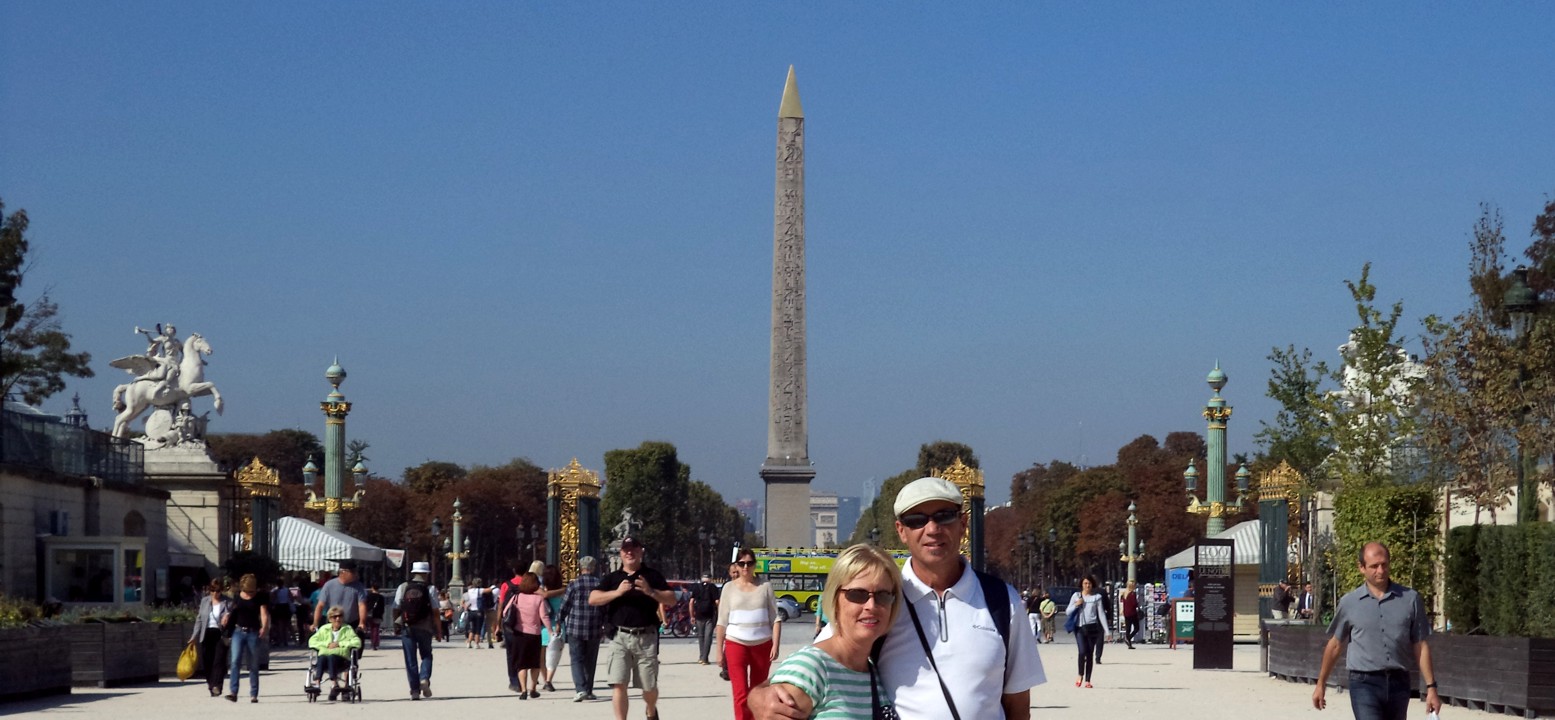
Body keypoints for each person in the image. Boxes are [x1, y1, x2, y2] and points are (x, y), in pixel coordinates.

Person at [754, 477, 1044, 720]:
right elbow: (819, 661)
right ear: (901, 531)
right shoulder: (879, 600)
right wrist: (759, 695)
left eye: (944, 516)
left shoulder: (1002, 601)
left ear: (963, 523)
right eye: (917, 520)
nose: (932, 529)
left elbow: (1018, 705)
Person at [767, 544, 903, 719]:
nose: (871, 606)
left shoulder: (873, 673)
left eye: (883, 595)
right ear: (834, 598)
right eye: (857, 594)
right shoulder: (809, 669)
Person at [1313, 542, 1440, 720]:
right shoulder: (1350, 602)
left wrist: (1431, 687)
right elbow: (1335, 645)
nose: (1380, 571)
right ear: (1361, 568)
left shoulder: (1410, 599)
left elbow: (1420, 645)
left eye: (1384, 564)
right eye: (1374, 566)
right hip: (1364, 683)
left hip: (1399, 682)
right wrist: (1321, 684)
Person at [590, 535, 677, 720]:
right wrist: (617, 593)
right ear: (621, 553)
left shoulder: (652, 576)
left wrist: (650, 591)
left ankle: (651, 710)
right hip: (619, 636)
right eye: (626, 550)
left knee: (649, 687)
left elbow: (671, 598)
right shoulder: (613, 578)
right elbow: (593, 598)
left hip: (646, 637)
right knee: (619, 683)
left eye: (634, 549)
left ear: (640, 552)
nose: (630, 553)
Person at [714, 547, 782, 720]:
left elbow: (775, 618)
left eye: (749, 563)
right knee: (741, 693)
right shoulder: (728, 588)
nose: (745, 567)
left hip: (762, 645)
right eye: (742, 563)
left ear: (755, 565)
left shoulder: (765, 586)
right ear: (736, 565)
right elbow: (721, 622)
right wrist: (718, 651)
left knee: (758, 693)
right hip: (736, 644)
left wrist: (776, 644)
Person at [559, 555, 605, 702]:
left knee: (576, 659)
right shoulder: (600, 584)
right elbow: (605, 605)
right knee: (590, 660)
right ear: (594, 567)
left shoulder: (574, 584)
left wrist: (559, 619)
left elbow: (565, 605)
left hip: (575, 626)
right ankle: (589, 689)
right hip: (594, 626)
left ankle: (580, 689)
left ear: (581, 567)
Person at [502, 571, 553, 699]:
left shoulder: (516, 597)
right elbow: (544, 616)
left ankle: (523, 690)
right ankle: (533, 688)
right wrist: (550, 630)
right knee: (534, 663)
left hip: (519, 633)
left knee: (521, 664)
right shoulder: (538, 599)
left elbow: (505, 612)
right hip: (535, 634)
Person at [221, 573, 270, 703]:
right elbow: (232, 610)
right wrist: (227, 616)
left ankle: (253, 694)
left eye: (251, 591)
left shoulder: (260, 597)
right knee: (235, 661)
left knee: (253, 664)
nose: (249, 593)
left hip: (253, 632)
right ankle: (233, 692)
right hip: (238, 631)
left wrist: (264, 627)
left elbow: (263, 613)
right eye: (247, 590)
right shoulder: (238, 597)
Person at [394, 562, 439, 700]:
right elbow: (435, 611)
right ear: (426, 574)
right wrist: (439, 629)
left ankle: (414, 690)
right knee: (426, 655)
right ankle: (424, 678)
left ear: (413, 572)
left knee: (410, 659)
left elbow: (395, 607)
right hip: (425, 626)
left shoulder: (403, 586)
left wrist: (397, 623)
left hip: (407, 626)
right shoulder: (430, 588)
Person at [308, 605, 363, 700]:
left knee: (331, 656)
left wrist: (339, 644)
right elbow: (312, 641)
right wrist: (327, 644)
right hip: (325, 656)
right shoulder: (324, 629)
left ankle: (334, 683)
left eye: (340, 616)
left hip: (341, 658)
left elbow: (357, 642)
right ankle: (317, 684)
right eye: (334, 617)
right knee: (322, 657)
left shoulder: (347, 629)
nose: (338, 619)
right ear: (330, 619)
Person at [191, 579, 230, 697]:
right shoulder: (205, 601)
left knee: (219, 661)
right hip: (206, 633)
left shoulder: (227, 601)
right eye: (212, 590)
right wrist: (194, 636)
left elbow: (232, 614)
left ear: (221, 590)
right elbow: (199, 619)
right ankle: (211, 684)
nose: (214, 593)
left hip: (220, 633)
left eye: (217, 591)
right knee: (207, 661)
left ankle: (217, 685)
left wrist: (228, 616)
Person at [1069, 576, 1108, 688]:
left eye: (1089, 583)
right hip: (1080, 627)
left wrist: (1107, 631)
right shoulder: (1076, 596)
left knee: (1090, 653)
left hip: (1093, 628)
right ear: (1081, 584)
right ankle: (1080, 674)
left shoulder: (1097, 597)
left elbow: (1101, 614)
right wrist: (1076, 604)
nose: (1087, 585)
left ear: (1092, 584)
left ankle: (1088, 680)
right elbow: (1068, 611)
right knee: (1082, 652)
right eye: (1085, 583)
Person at [312, 561, 369, 637]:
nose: (356, 574)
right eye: (353, 571)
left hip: (353, 623)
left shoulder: (358, 586)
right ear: (343, 572)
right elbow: (320, 605)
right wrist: (315, 623)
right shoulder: (329, 585)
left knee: (357, 645)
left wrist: (362, 622)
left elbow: (362, 605)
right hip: (334, 623)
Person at [541, 564, 567, 692]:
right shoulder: (562, 592)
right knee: (554, 655)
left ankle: (544, 678)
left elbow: (544, 595)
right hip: (558, 625)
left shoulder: (541, 590)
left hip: (542, 625)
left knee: (541, 655)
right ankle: (548, 680)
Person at [690, 571, 721, 665]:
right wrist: (719, 615)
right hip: (710, 616)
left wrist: (692, 615)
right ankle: (705, 658)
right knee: (708, 637)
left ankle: (701, 657)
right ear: (710, 578)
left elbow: (691, 602)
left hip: (699, 615)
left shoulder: (696, 587)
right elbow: (717, 602)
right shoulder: (713, 587)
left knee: (701, 636)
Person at [463, 577, 485, 648]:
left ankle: (469, 642)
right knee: (478, 628)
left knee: (472, 628)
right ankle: (476, 643)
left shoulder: (469, 591)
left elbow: (469, 602)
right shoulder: (481, 590)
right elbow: (489, 590)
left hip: (471, 611)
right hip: (478, 611)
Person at [364, 581, 385, 650]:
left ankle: (367, 643)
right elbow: (382, 607)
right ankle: (375, 644)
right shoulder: (381, 597)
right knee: (375, 629)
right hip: (377, 614)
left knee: (368, 629)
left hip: (369, 614)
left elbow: (365, 605)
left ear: (372, 587)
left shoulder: (368, 596)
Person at [1121, 580, 1140, 649]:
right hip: (1132, 613)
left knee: (1128, 628)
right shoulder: (1132, 594)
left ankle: (1129, 644)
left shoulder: (1124, 593)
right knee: (1137, 628)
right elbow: (1134, 603)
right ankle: (1128, 638)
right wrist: (1138, 604)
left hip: (1126, 613)